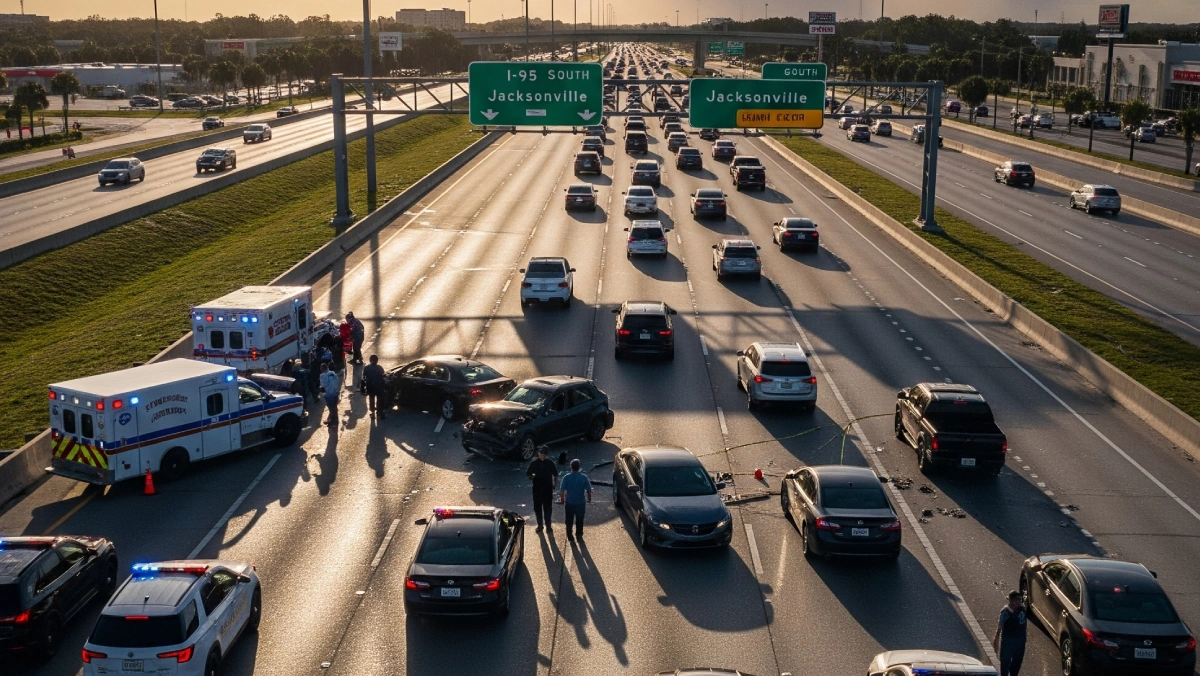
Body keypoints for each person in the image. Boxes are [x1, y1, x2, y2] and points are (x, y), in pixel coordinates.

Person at [993, 590, 1028, 676]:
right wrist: (996, 641)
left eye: (1020, 600)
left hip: (1020, 640)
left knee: (1017, 663)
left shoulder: (1022, 609)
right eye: (1017, 600)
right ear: (1011, 601)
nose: (1019, 602)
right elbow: (1000, 627)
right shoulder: (1005, 612)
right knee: (1005, 663)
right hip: (1008, 640)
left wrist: (1024, 637)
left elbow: (1024, 625)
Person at [558, 458, 592, 543]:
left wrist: (562, 499)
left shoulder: (566, 477)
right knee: (579, 520)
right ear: (579, 467)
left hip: (569, 503)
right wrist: (589, 499)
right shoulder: (584, 477)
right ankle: (579, 535)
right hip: (580, 503)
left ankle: (570, 536)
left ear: (571, 467)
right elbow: (588, 490)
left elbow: (561, 491)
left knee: (569, 520)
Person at [526, 447, 559, 533]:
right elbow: (528, 474)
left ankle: (548, 526)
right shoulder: (534, 463)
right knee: (537, 508)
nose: (543, 457)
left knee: (548, 509)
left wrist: (555, 484)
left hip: (548, 489)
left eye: (544, 455)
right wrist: (532, 476)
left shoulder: (550, 463)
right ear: (539, 454)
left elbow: (555, 474)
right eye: (541, 455)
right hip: (537, 490)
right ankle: (540, 525)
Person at [362, 355, 388, 419]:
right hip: (379, 387)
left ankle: (372, 413)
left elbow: (363, 378)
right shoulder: (379, 368)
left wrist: (363, 387)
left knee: (371, 399)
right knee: (380, 399)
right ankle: (380, 413)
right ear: (377, 360)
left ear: (370, 360)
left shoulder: (366, 368)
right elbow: (383, 377)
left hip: (370, 387)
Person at [318, 362, 341, 427]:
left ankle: (334, 423)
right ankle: (330, 419)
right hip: (335, 394)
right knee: (334, 408)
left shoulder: (322, 376)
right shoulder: (333, 373)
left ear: (322, 368)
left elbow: (323, 385)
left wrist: (320, 390)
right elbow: (337, 382)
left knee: (332, 409)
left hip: (329, 395)